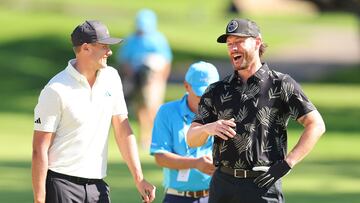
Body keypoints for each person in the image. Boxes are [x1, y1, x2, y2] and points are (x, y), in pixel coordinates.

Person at [186, 18, 326, 203]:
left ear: (257, 42)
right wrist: (207, 128)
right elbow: (192, 138)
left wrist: (288, 163)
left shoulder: (281, 84)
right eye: (229, 44)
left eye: (239, 42)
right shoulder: (216, 90)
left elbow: (316, 124)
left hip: (263, 185)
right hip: (222, 185)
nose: (233, 48)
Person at [32, 20, 156, 203]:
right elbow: (39, 149)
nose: (110, 51)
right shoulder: (56, 89)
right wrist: (40, 199)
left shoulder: (112, 78)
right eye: (104, 46)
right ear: (86, 48)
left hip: (97, 186)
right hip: (61, 184)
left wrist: (139, 178)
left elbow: (123, 130)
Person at [150, 61, 220, 203]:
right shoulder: (167, 112)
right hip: (178, 197)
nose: (205, 101)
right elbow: (160, 156)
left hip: (216, 195)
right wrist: (195, 163)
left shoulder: (225, 113)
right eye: (200, 95)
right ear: (186, 86)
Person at [117, 9, 173, 149]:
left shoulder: (158, 39)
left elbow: (166, 61)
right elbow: (124, 61)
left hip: (153, 80)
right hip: (137, 79)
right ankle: (144, 138)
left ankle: (157, 137)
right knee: (140, 109)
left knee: (153, 108)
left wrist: (160, 78)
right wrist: (130, 74)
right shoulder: (131, 40)